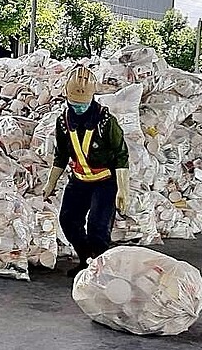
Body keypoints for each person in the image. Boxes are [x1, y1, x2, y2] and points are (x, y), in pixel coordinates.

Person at [42, 66, 130, 278]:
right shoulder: (63, 121)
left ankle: (99, 270)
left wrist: (122, 190)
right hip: (79, 179)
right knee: (68, 220)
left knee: (98, 227)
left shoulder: (106, 122)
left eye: (82, 104)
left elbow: (121, 155)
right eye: (74, 104)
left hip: (105, 181)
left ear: (92, 97)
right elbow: (61, 155)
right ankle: (86, 259)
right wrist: (50, 184)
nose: (78, 107)